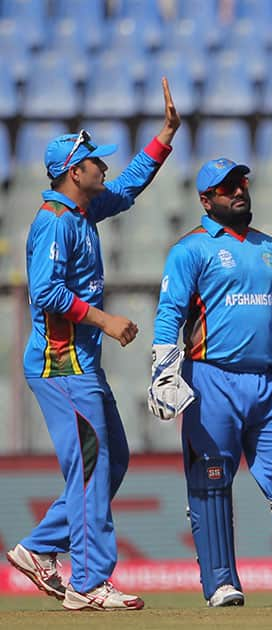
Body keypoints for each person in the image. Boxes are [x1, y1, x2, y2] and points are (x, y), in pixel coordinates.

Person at [4, 78, 179, 612]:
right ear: (73, 173)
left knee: (110, 460)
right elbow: (46, 292)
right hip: (63, 363)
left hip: (79, 365)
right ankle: (88, 581)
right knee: (93, 465)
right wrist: (104, 320)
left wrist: (165, 137)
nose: (104, 166)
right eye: (95, 162)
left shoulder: (83, 211)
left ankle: (37, 549)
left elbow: (126, 187)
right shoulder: (56, 222)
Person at [148, 157, 272, 607]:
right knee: (212, 479)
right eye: (227, 187)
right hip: (209, 380)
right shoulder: (191, 250)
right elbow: (169, 315)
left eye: (242, 182)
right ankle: (220, 583)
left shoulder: (268, 248)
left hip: (267, 383)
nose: (239, 191)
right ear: (206, 200)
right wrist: (164, 372)